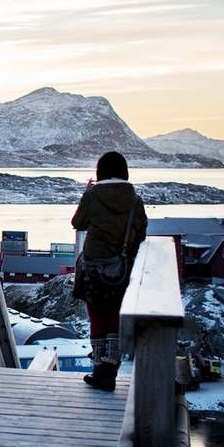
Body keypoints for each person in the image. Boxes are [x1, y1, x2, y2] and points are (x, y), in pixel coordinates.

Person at [71, 151, 147, 391]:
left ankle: (98, 370)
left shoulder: (93, 196)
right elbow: (141, 232)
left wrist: (87, 193)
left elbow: (78, 223)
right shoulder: (135, 200)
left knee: (97, 317)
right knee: (114, 317)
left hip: (93, 269)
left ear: (100, 171)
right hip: (121, 269)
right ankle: (109, 371)